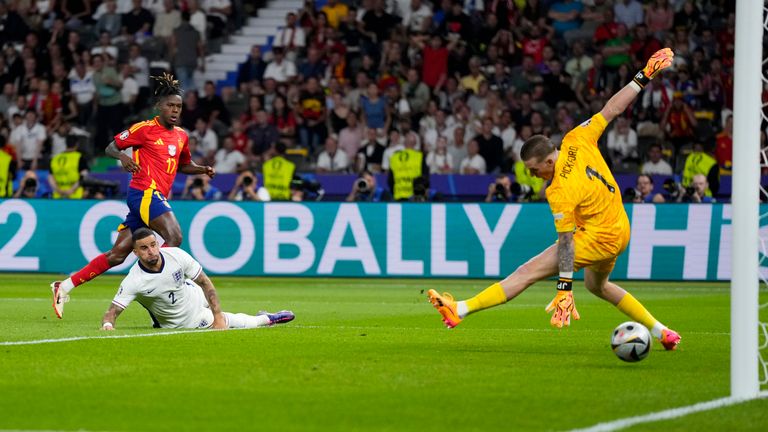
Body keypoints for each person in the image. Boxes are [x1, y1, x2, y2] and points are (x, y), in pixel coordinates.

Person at [427, 48, 681, 351]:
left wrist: (563, 288)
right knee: (597, 286)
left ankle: (461, 309)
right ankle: (662, 331)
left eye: (534, 170)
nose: (534, 176)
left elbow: (566, 243)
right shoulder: (576, 138)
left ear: (548, 162)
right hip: (620, 226)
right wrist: (644, 75)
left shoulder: (558, 189)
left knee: (527, 272)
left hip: (599, 236)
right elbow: (612, 109)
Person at [51, 73, 216, 319]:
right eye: (170, 105)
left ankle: (64, 286)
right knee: (175, 237)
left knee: (117, 255)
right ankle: (158, 284)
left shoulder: (181, 135)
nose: (174, 110)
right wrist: (124, 157)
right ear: (159, 107)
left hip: (153, 197)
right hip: (144, 192)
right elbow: (111, 147)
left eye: (178, 106)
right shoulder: (145, 129)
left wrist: (201, 169)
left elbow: (183, 164)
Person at [101, 228, 294, 330]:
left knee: (215, 311)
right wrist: (108, 325)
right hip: (187, 320)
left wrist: (217, 316)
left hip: (191, 291)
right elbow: (112, 312)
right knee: (235, 322)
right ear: (135, 253)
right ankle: (268, 318)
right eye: (144, 248)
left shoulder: (175, 255)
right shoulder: (134, 281)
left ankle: (218, 315)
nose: (152, 251)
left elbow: (204, 282)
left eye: (153, 245)